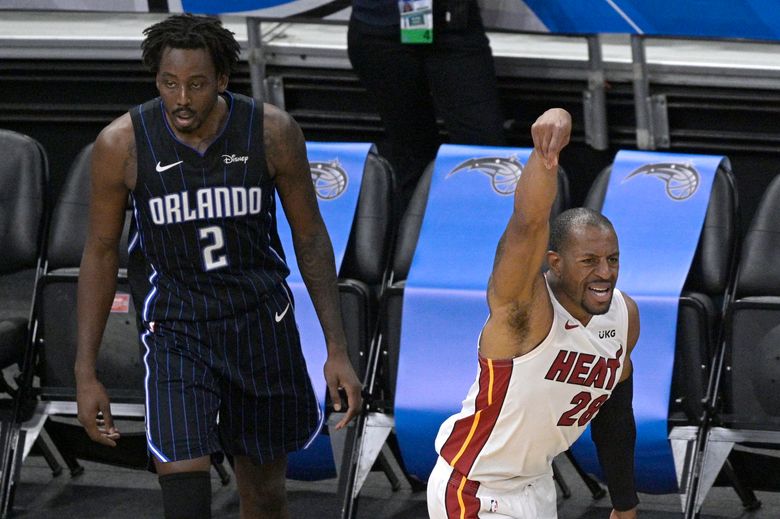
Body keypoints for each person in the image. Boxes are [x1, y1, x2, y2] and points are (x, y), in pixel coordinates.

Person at [74, 14, 362, 519]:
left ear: (223, 80)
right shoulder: (121, 143)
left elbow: (311, 238)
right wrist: (85, 371)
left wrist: (337, 347)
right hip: (176, 330)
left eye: (196, 84)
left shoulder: (272, 132)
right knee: (184, 497)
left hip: (259, 326)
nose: (181, 98)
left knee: (266, 498)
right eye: (169, 83)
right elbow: (99, 252)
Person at [426, 108, 640, 519]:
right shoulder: (524, 309)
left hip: (538, 486)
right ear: (555, 262)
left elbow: (615, 411)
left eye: (612, 259)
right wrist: (545, 156)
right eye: (589, 261)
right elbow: (527, 224)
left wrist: (624, 504)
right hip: (475, 489)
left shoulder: (624, 316)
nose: (605, 273)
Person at [348, 0, 506, 209]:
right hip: (379, 29)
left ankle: (489, 235)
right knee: (411, 157)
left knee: (486, 153)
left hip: (453, 25)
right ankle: (415, 238)